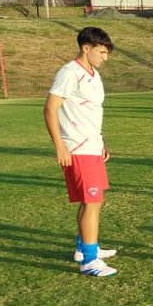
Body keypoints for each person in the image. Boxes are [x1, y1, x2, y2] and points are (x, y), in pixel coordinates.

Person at [44, 26, 118, 277]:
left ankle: (85, 247)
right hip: (76, 147)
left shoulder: (93, 75)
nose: (105, 57)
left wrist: (101, 141)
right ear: (86, 48)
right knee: (92, 200)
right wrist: (60, 146)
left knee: (95, 200)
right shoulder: (69, 73)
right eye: (101, 52)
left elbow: (91, 112)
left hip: (92, 147)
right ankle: (88, 261)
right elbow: (50, 109)